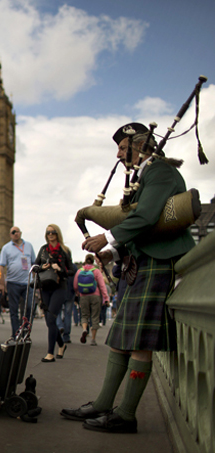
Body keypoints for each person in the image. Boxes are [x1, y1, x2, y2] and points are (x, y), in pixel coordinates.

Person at [61, 122, 195, 433]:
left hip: (159, 263)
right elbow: (145, 228)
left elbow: (146, 217)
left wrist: (106, 239)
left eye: (123, 147)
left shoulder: (159, 171)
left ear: (141, 145)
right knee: (122, 339)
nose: (119, 154)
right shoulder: (142, 176)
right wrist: (115, 253)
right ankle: (104, 403)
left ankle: (126, 414)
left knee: (138, 343)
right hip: (143, 262)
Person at [35, 224, 75, 362]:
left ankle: (50, 353)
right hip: (45, 286)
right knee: (49, 321)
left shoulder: (65, 251)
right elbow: (34, 268)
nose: (50, 234)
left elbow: (72, 271)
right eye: (48, 232)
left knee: (51, 318)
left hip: (60, 287)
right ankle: (62, 345)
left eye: (53, 232)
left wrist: (60, 269)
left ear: (58, 234)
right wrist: (42, 267)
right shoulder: (43, 249)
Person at [0, 226, 36, 338]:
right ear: (10, 235)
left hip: (28, 283)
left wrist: (35, 281)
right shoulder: (6, 248)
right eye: (13, 232)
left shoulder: (28, 246)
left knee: (29, 307)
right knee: (13, 310)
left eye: (17, 232)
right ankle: (16, 333)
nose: (15, 234)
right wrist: (2, 283)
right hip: (12, 282)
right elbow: (1, 266)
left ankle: (25, 330)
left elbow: (34, 264)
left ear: (21, 233)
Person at [74, 254, 110, 346]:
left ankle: (85, 329)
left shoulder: (79, 271)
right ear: (93, 261)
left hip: (83, 296)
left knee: (84, 315)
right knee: (95, 317)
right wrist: (106, 297)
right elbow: (102, 285)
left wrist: (78, 293)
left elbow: (75, 285)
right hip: (95, 296)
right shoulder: (96, 271)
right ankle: (93, 339)